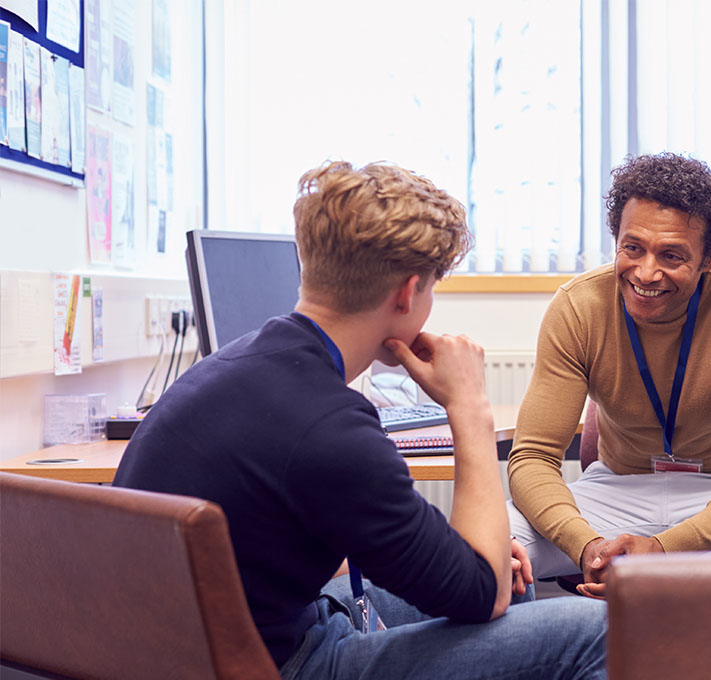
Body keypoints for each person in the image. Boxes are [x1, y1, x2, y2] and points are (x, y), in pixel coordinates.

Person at [114, 161, 607, 679]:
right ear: (406, 292)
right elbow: (482, 595)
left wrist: (466, 560)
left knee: (515, 581)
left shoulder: (231, 366)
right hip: (288, 663)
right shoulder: (332, 429)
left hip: (218, 642)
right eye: (432, 289)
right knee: (603, 630)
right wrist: (469, 406)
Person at [507, 152, 711, 598]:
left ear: (709, 258)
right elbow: (532, 459)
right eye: (632, 247)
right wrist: (589, 547)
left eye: (671, 255)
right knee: (492, 542)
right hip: (617, 491)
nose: (646, 272)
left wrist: (665, 548)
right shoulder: (578, 307)